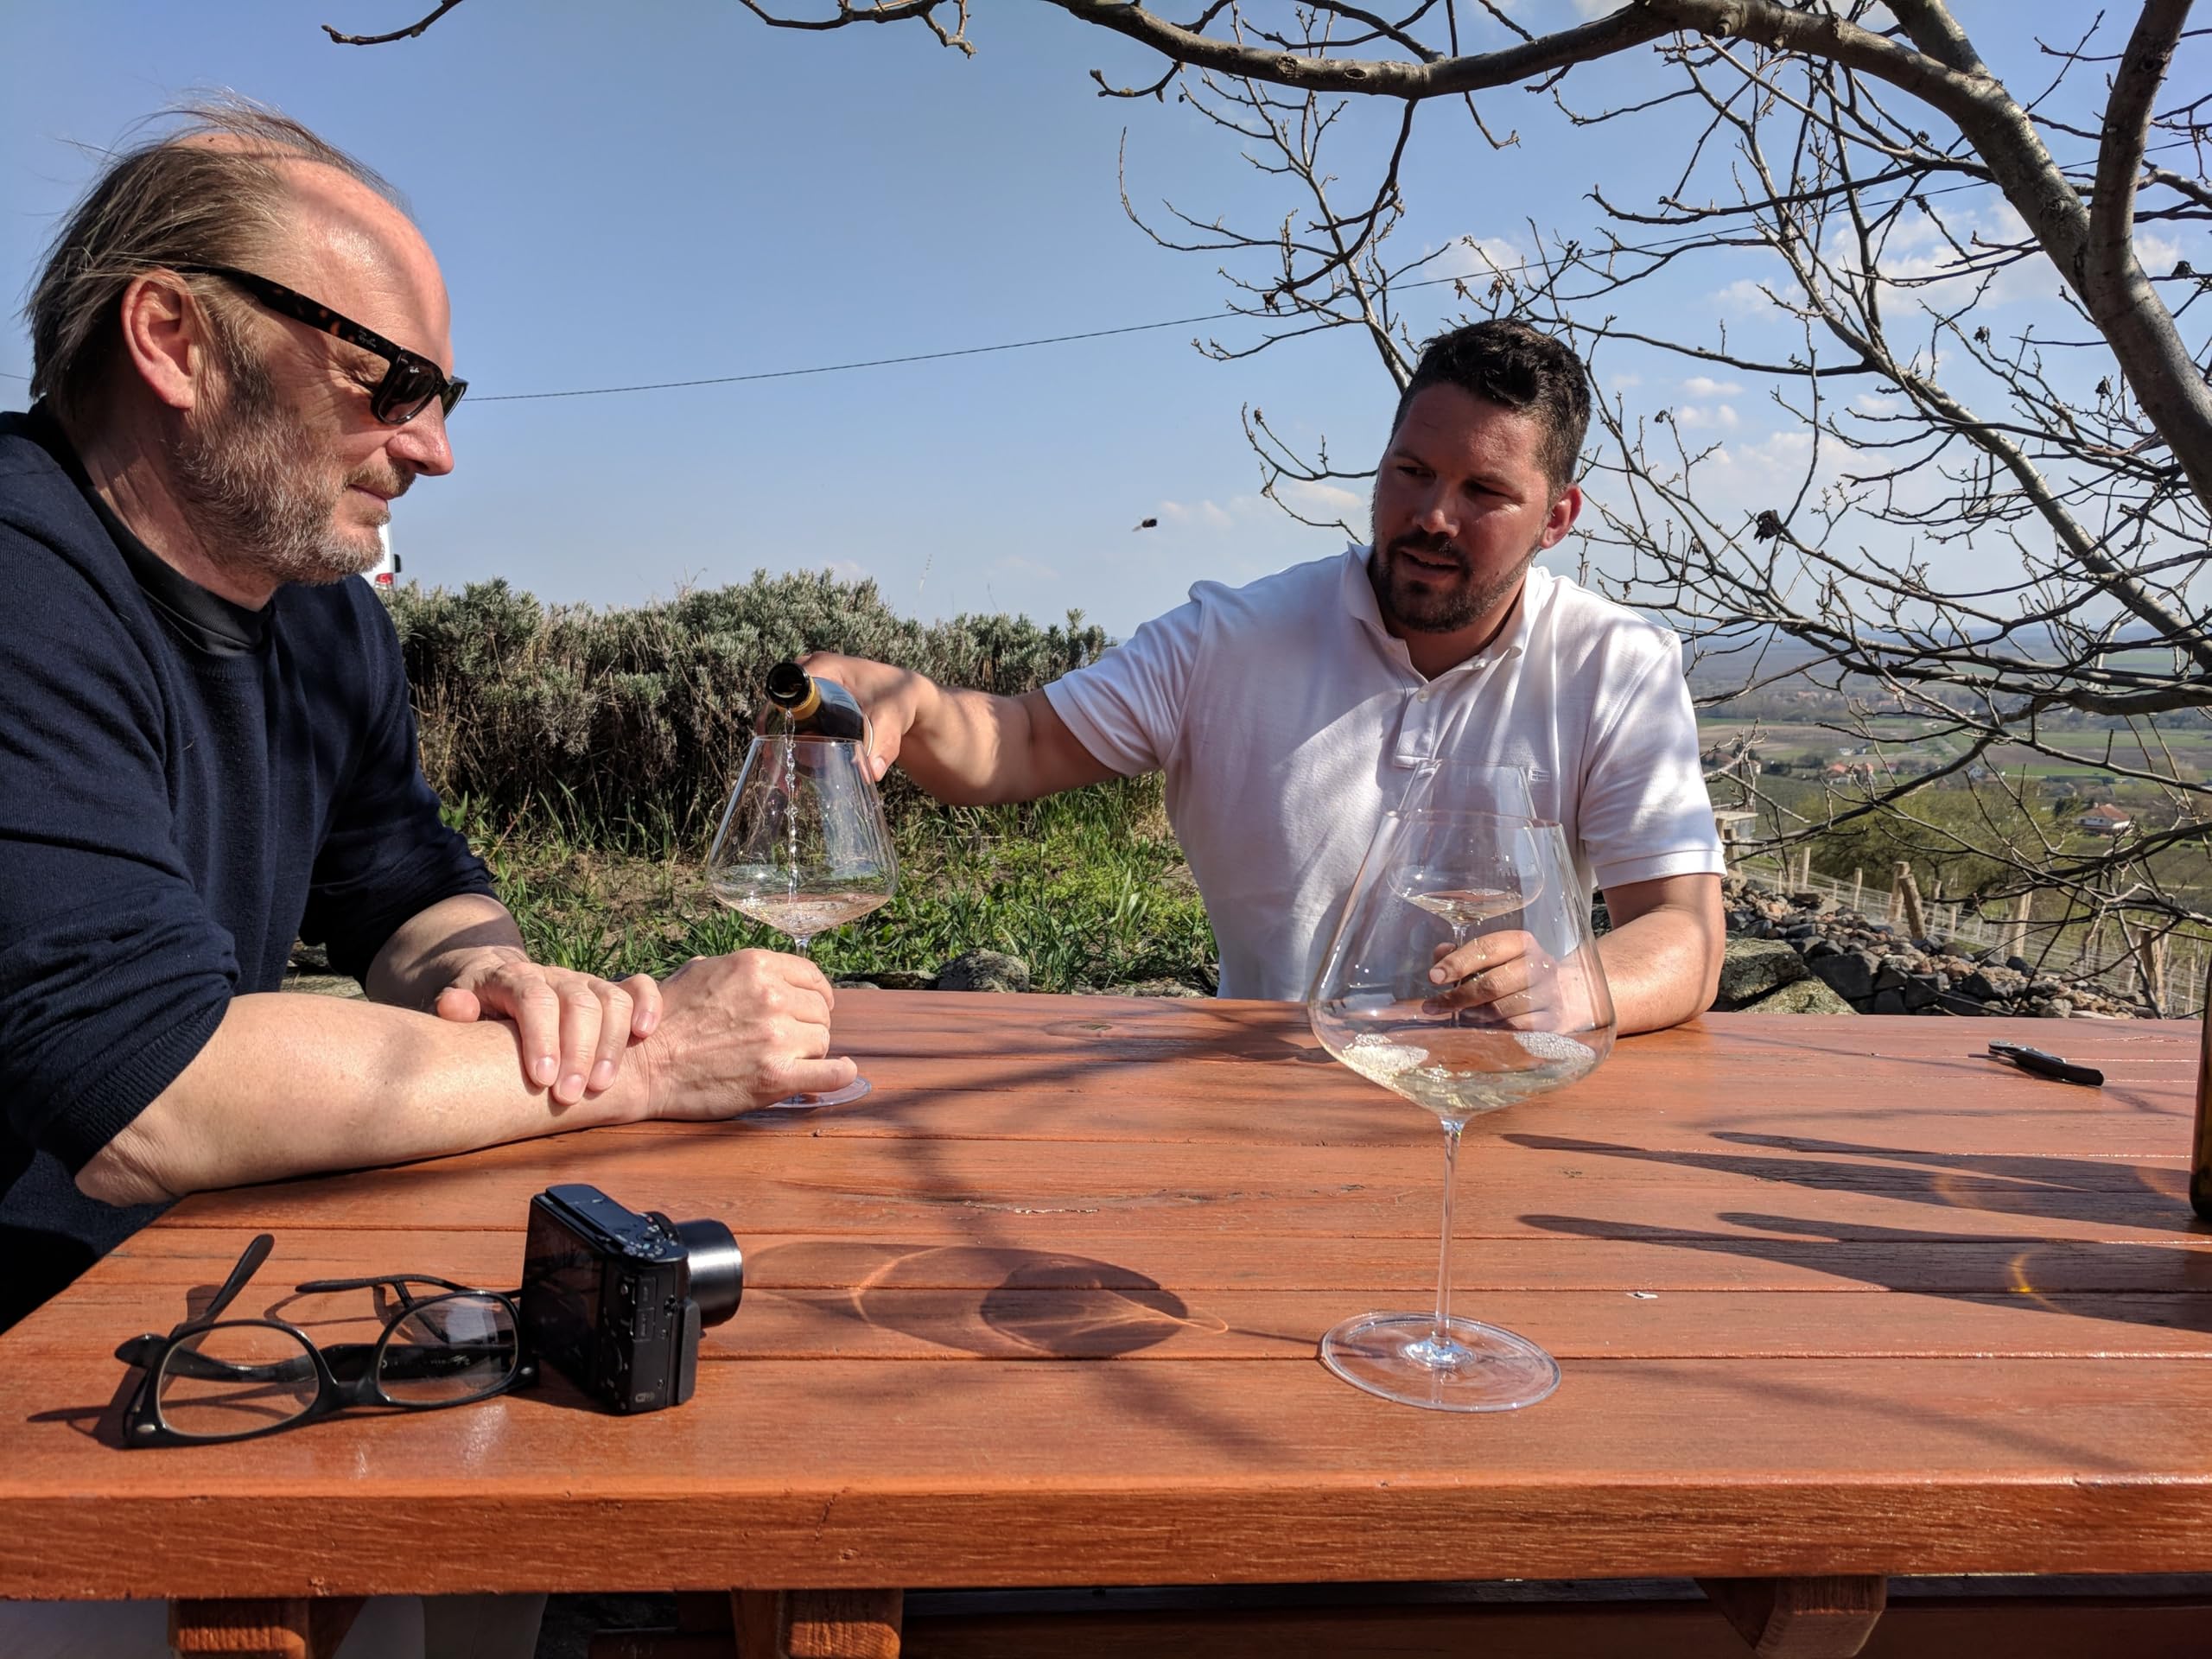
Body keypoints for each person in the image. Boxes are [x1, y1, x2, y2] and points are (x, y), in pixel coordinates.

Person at [0, 100, 860, 1335]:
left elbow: (401, 884)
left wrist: (491, 974)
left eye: (443, 392)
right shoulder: (24, 577)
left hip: (179, 1284)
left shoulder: (323, 618)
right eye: (391, 381)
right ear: (174, 339)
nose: (436, 450)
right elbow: (146, 1093)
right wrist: (646, 1069)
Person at [805, 320, 1726, 1031]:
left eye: (1483, 492)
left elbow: (1685, 937)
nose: (1433, 515)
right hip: (1264, 1094)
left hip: (1499, 1096)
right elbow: (1022, 743)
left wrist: (1574, 987)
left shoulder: (1616, 668)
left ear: (1557, 517)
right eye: (1409, 471)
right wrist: (911, 704)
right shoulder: (1228, 641)